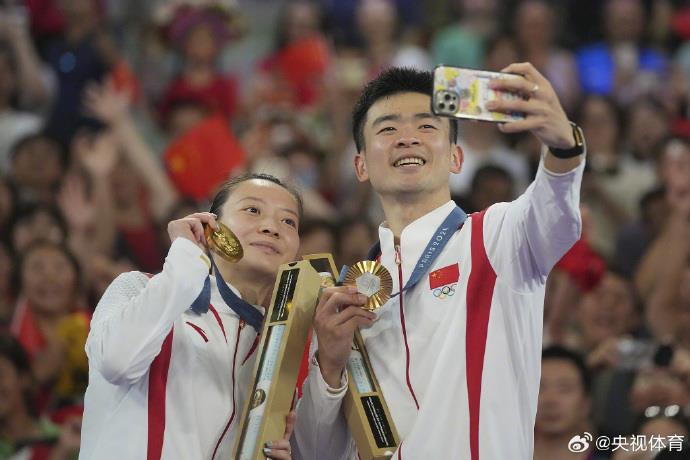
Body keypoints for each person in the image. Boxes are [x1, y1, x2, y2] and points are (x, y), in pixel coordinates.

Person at [292, 63, 586, 459]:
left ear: (456, 158)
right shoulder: (350, 295)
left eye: (426, 126)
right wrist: (329, 365)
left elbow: (555, 217)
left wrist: (563, 147)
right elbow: (318, 452)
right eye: (387, 129)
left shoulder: (497, 238)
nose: (407, 138)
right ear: (360, 166)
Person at [79, 173, 302, 459]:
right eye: (253, 210)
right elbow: (116, 362)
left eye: (288, 221)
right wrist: (186, 256)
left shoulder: (275, 353)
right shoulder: (137, 288)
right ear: (211, 226)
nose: (272, 227)